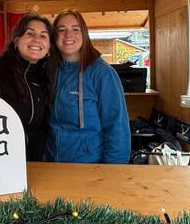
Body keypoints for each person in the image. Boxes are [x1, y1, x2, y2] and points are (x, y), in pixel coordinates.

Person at [45, 10, 130, 164]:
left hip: (89, 167)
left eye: (75, 29)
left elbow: (117, 128)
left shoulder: (103, 74)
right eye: (62, 30)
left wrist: (114, 172)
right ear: (54, 36)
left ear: (84, 34)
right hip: (51, 165)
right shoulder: (49, 70)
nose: (68, 35)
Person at [0, 14, 56, 161]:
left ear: (48, 47)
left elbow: (40, 130)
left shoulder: (45, 78)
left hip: (31, 166)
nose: (37, 39)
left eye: (43, 36)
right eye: (30, 33)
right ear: (17, 40)